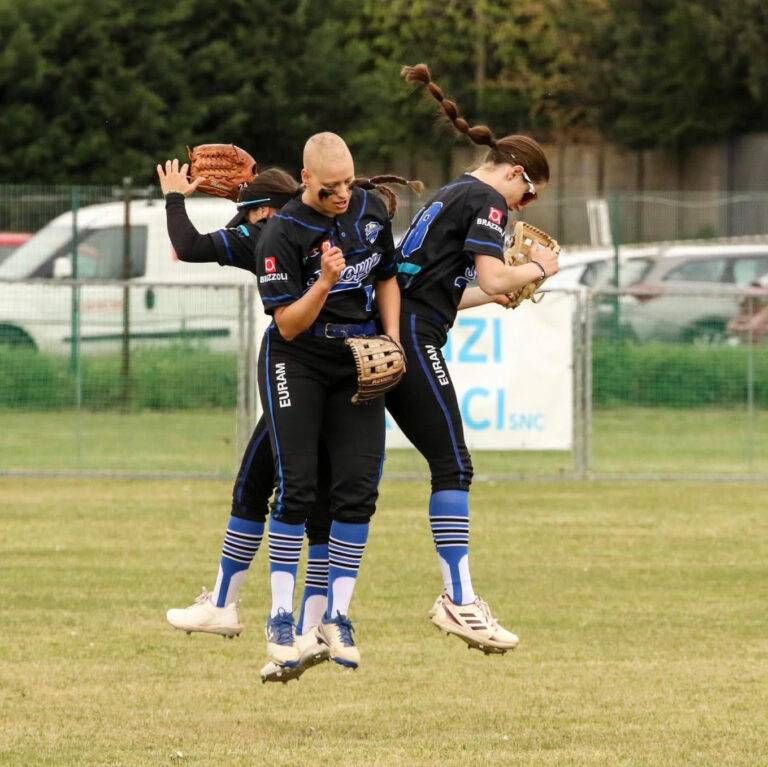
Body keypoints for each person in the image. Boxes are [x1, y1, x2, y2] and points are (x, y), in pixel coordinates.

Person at [382, 63, 561, 653]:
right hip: (411, 334)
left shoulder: (451, 193)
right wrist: (536, 269)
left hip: (398, 324)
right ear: (514, 172)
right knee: (453, 462)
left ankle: (306, 611)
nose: (523, 205)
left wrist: (498, 290)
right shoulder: (486, 198)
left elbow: (453, 287)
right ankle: (458, 600)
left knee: (340, 475)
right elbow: (490, 267)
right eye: (527, 192)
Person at [255, 131, 401, 672]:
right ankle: (279, 617)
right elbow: (288, 326)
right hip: (298, 360)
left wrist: (392, 337)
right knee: (297, 486)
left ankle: (336, 616)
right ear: (306, 178)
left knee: (359, 489)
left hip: (355, 361)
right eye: (331, 187)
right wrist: (325, 283)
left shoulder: (367, 208)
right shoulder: (282, 232)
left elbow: (386, 276)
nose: (343, 194)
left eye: (348, 182)